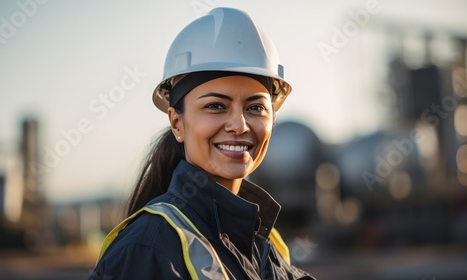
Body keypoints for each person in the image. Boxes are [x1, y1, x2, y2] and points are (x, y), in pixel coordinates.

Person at [89, 7, 316, 280]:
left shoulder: (264, 243)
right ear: (177, 123)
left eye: (255, 108)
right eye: (216, 106)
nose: (240, 125)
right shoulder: (148, 249)